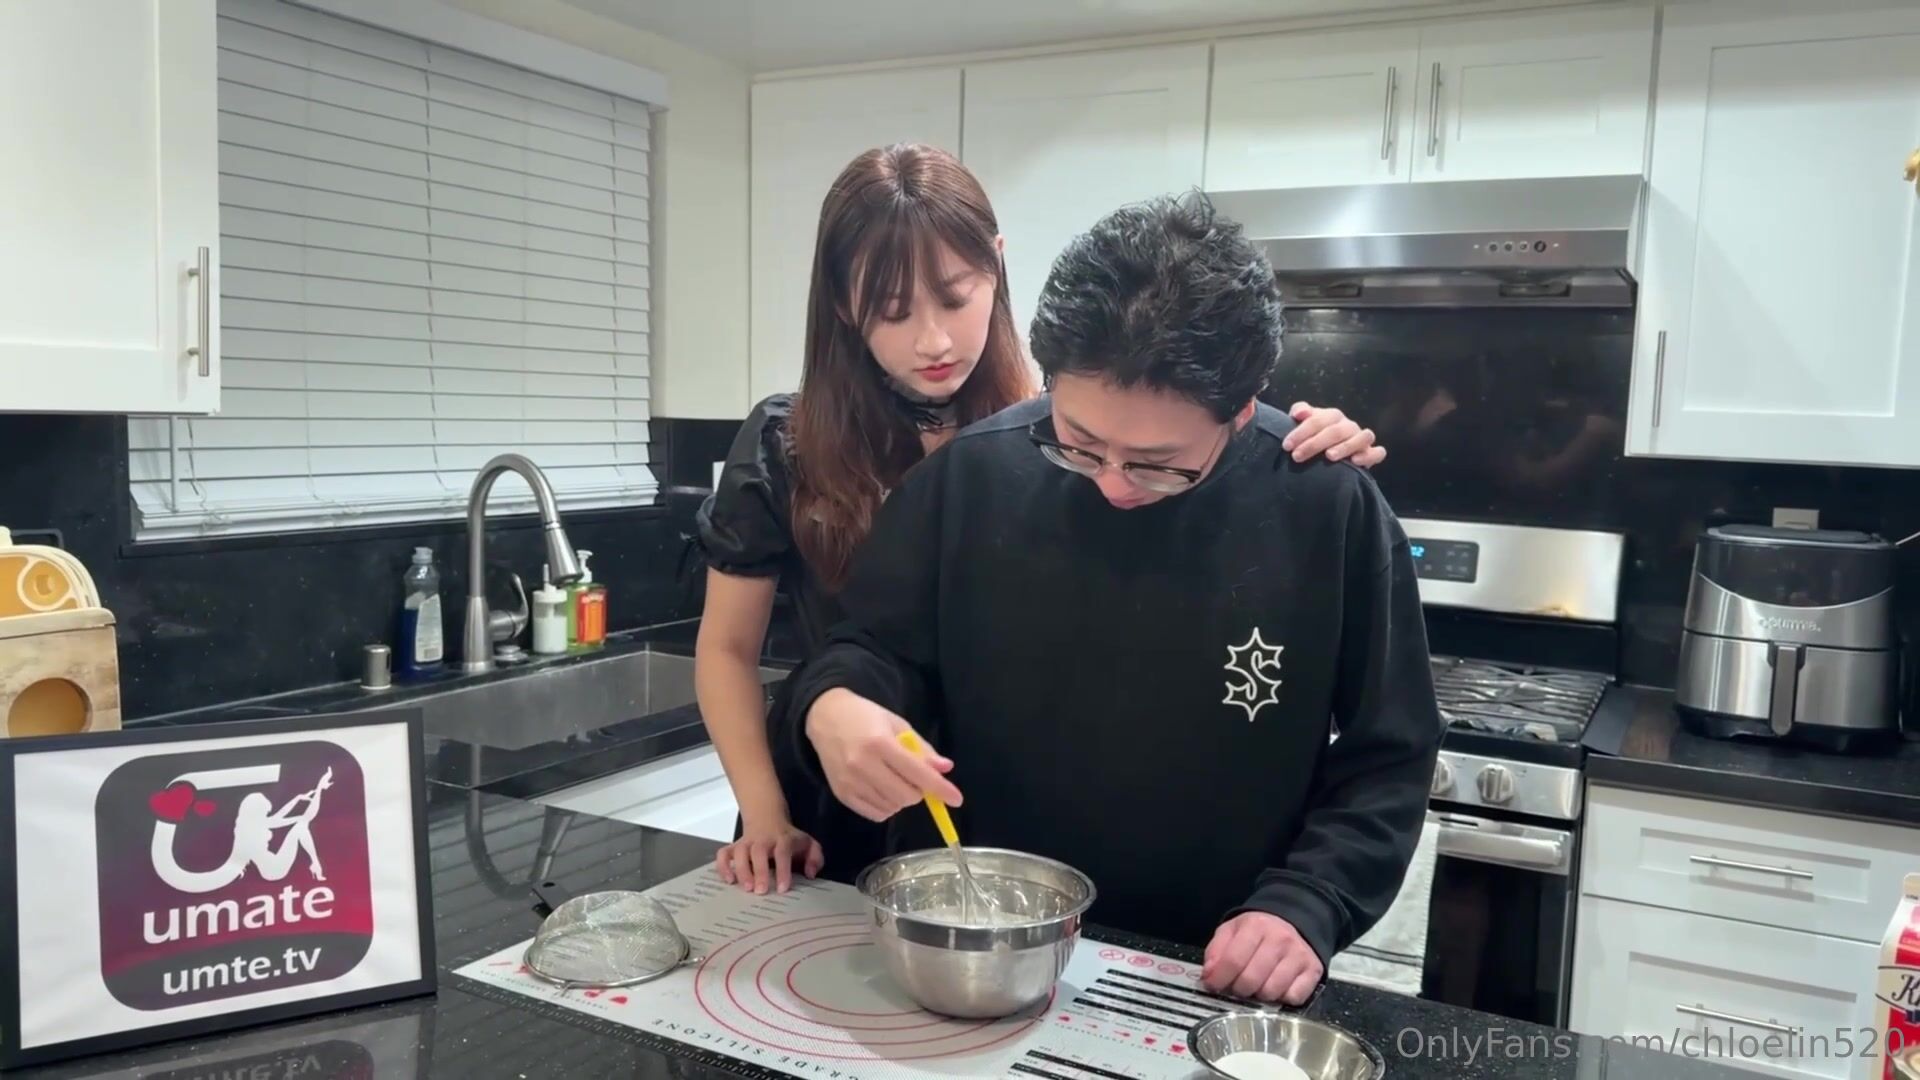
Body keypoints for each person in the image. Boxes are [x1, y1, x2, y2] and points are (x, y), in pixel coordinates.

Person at [779, 190, 1443, 1006]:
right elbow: (870, 649)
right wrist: (834, 707)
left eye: (1159, 463)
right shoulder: (970, 479)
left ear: (1239, 410)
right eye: (1080, 443)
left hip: (1207, 966)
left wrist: (1308, 902)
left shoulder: (1323, 504)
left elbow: (1390, 750)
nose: (1114, 484)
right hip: (977, 947)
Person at [692, 143, 1389, 897]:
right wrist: (805, 743)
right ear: (841, 306)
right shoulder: (839, 450)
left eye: (954, 298)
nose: (932, 340)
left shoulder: (1076, 415)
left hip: (1012, 851)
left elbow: (1382, 748)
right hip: (854, 804)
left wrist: (1283, 455)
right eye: (892, 311)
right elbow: (784, 648)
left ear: (996, 268)